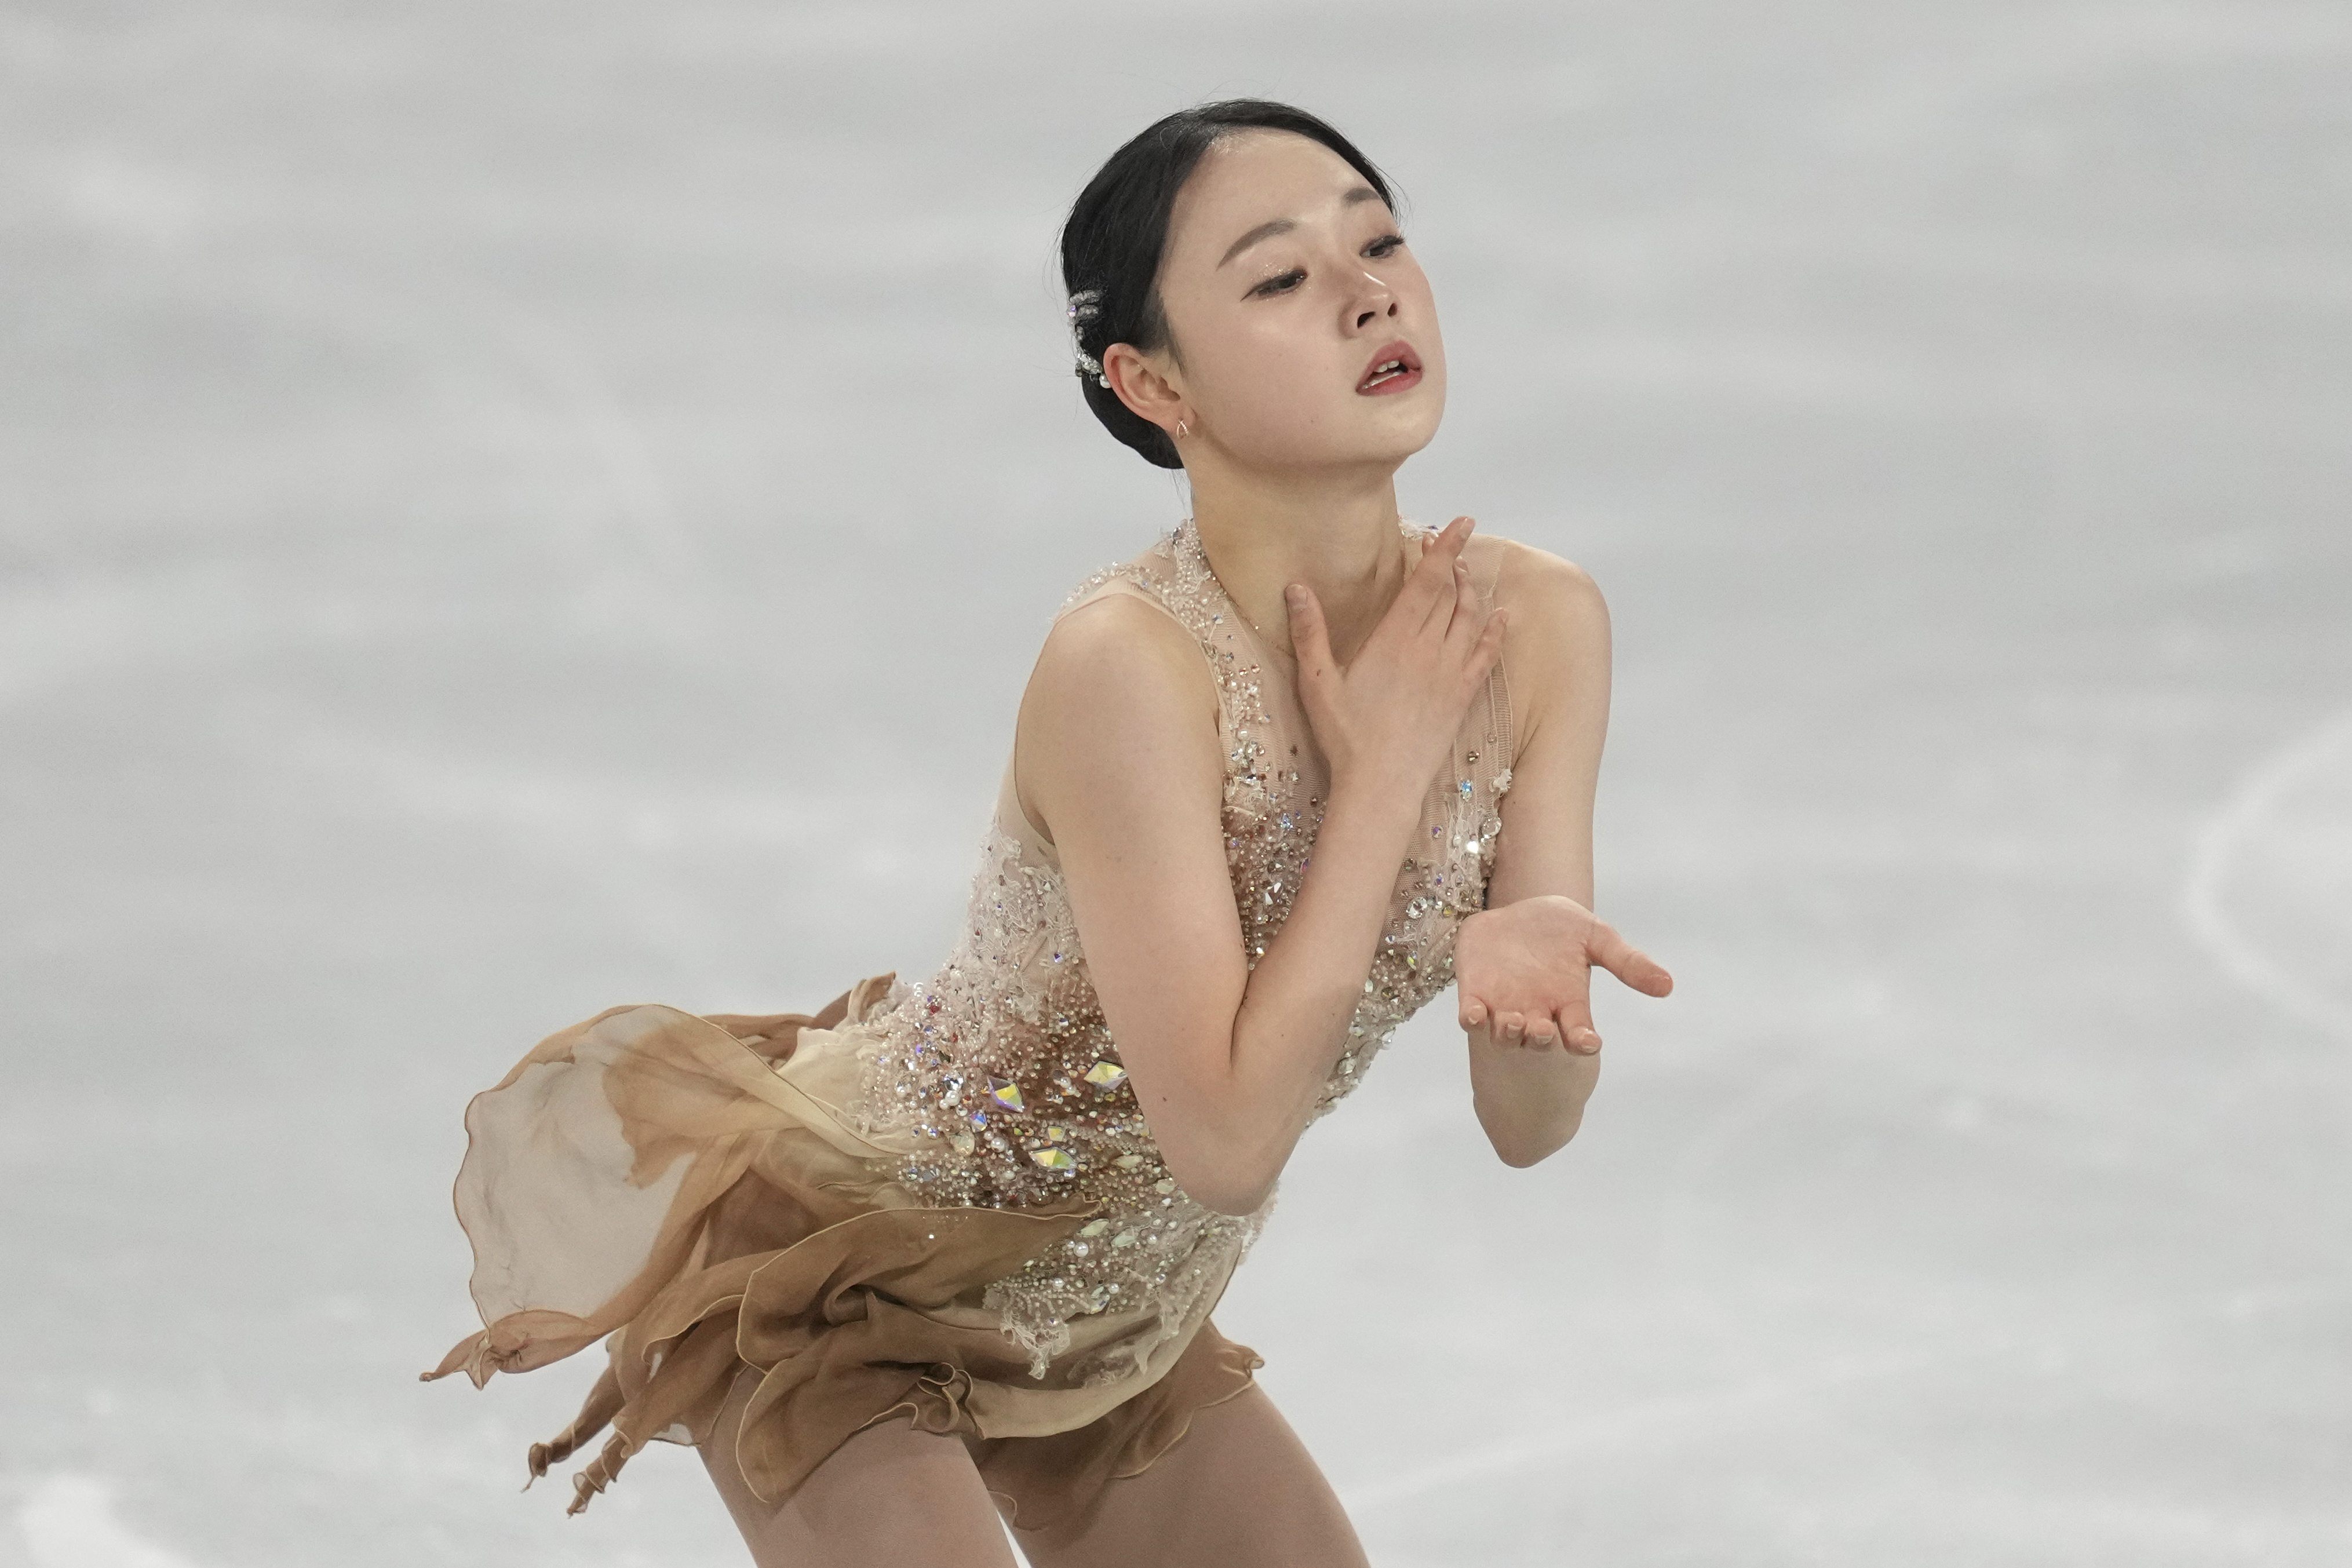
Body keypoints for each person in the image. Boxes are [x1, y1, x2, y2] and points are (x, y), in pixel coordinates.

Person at [424, 98, 1673, 1568]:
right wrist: (1384, 780)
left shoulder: (1533, 626)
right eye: (1280, 278)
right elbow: (1223, 1140)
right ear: (1153, 384)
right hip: (847, 1273)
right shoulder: (1127, 668)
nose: (1367, 295)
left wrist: (1528, 1015)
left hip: (1116, 1304)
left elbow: (1525, 1132)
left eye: (1381, 242)